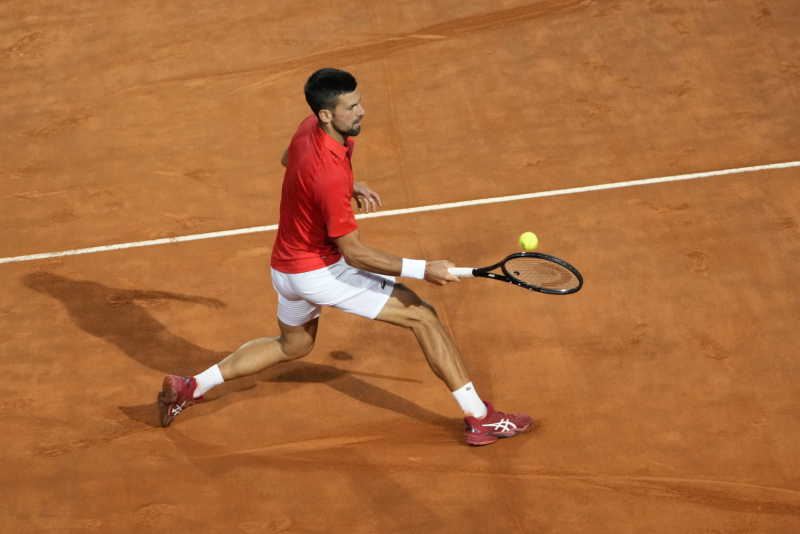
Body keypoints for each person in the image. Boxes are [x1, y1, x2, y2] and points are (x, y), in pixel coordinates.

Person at [157, 68, 530, 446]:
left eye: (358, 102)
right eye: (350, 107)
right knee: (422, 316)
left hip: (285, 269)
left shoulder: (308, 129)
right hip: (320, 272)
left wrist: (347, 184)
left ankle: (192, 385)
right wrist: (424, 269)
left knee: (293, 345)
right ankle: (480, 418)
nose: (361, 111)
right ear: (326, 114)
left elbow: (290, 161)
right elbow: (355, 254)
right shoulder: (329, 176)